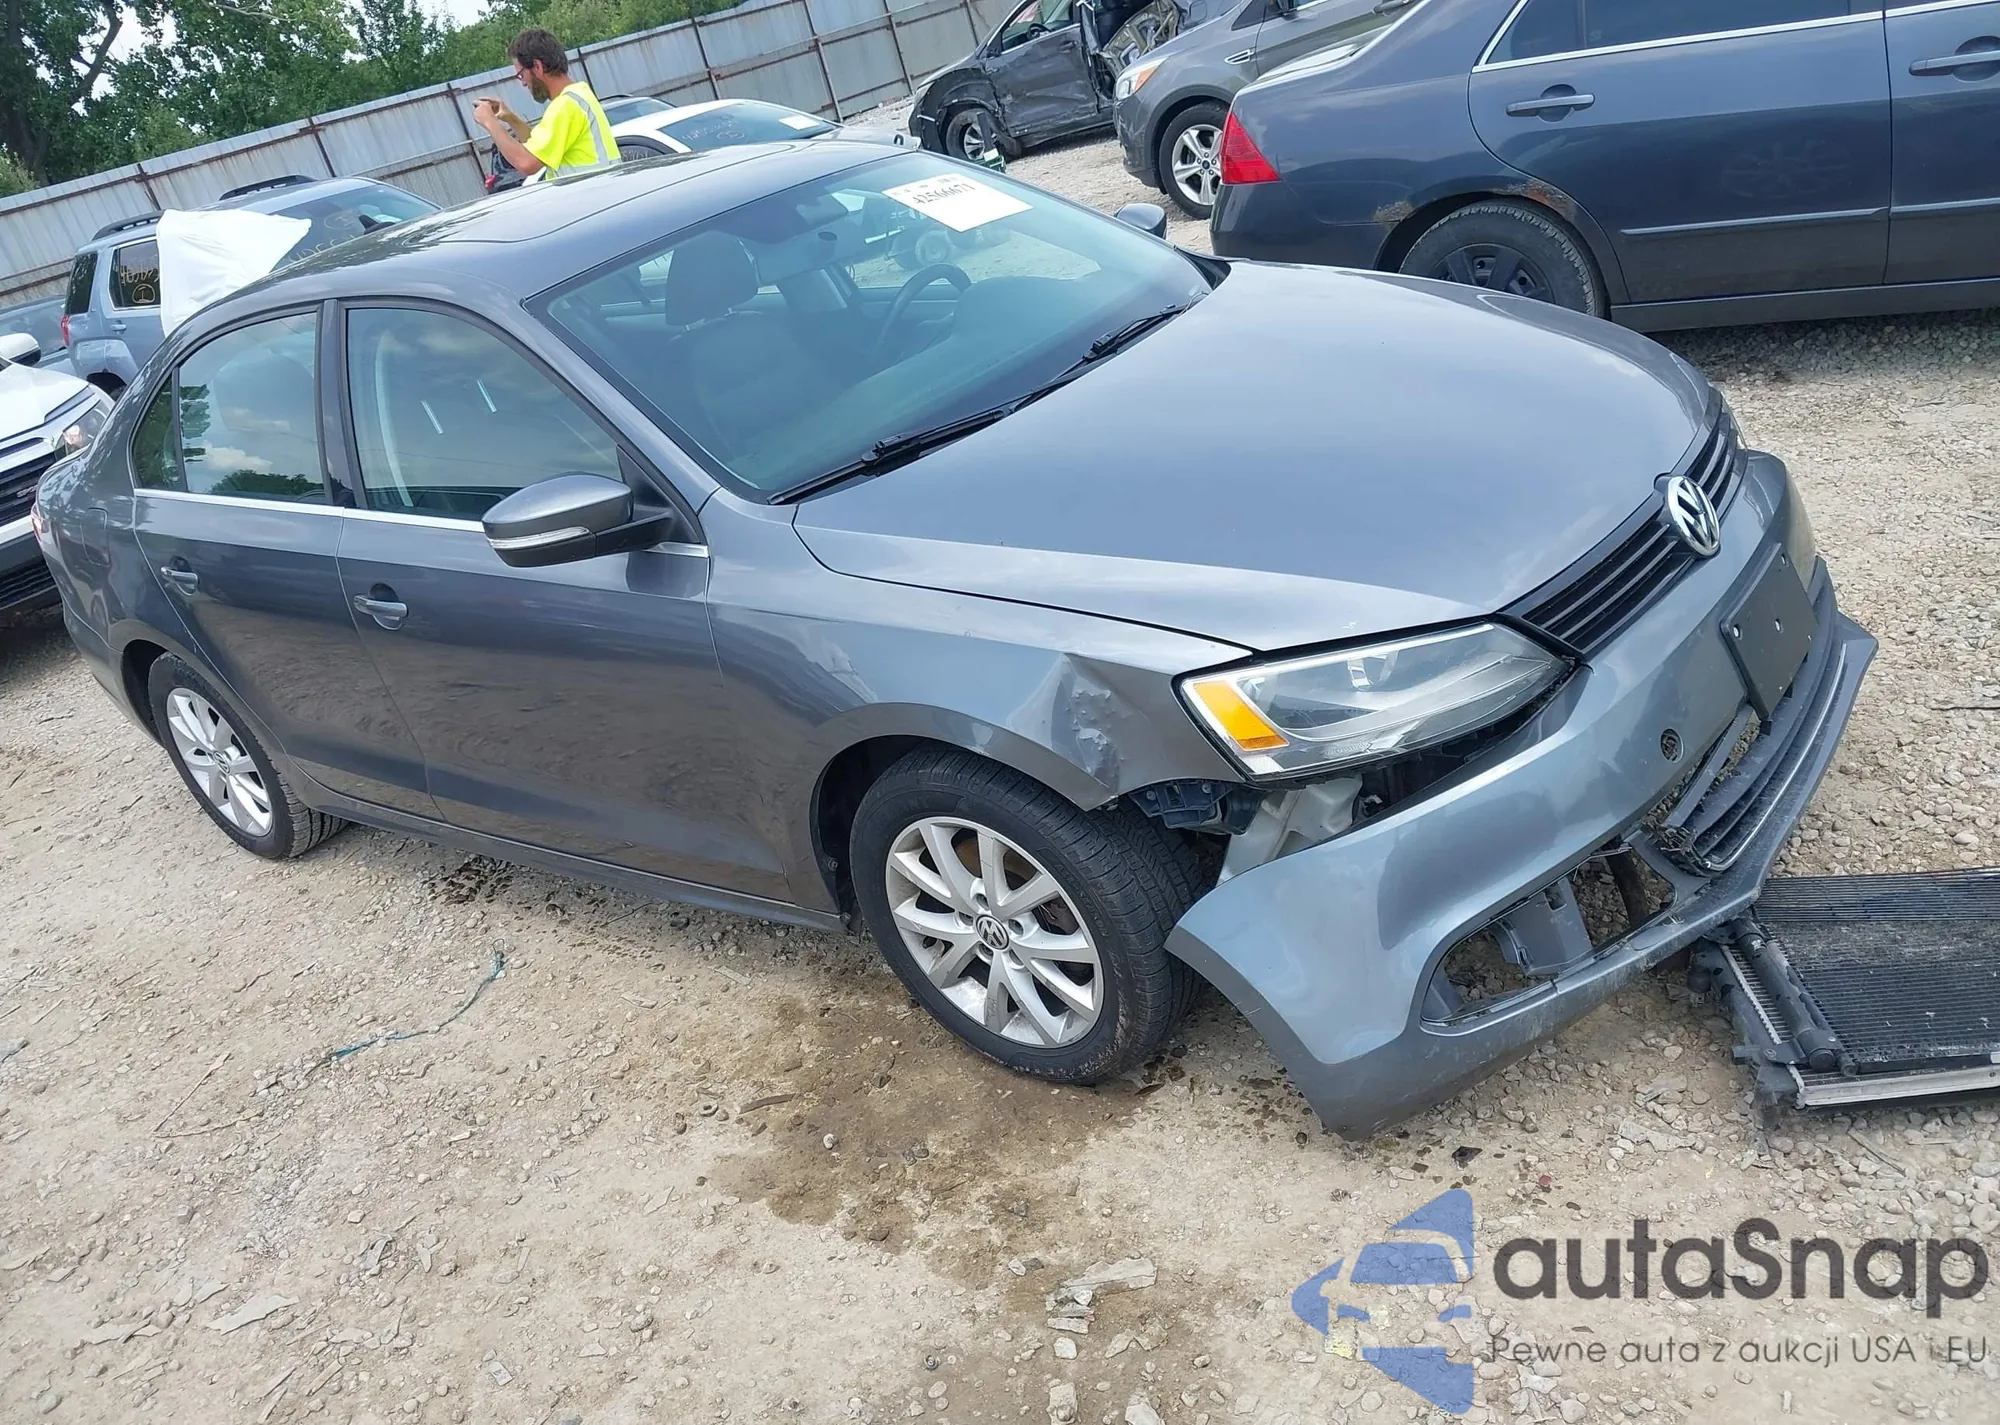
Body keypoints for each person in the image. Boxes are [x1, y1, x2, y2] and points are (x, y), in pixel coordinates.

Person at [472, 30, 619, 181]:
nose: (523, 83)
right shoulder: (579, 94)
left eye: (521, 75)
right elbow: (538, 150)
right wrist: (511, 119)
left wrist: (490, 122)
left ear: (537, 66)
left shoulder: (564, 106)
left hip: (589, 192)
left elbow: (527, 162)